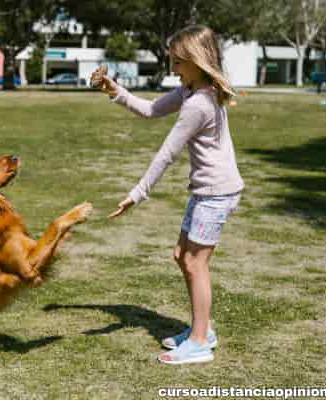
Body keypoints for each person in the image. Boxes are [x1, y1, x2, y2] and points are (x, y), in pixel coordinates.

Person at [90, 25, 244, 365]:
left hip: (216, 193)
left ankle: (201, 342)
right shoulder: (191, 90)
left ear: (195, 61)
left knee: (195, 262)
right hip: (206, 191)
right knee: (181, 255)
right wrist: (113, 89)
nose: (173, 69)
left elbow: (166, 154)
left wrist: (137, 194)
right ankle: (202, 329)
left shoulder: (199, 103)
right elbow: (150, 110)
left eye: (177, 63)